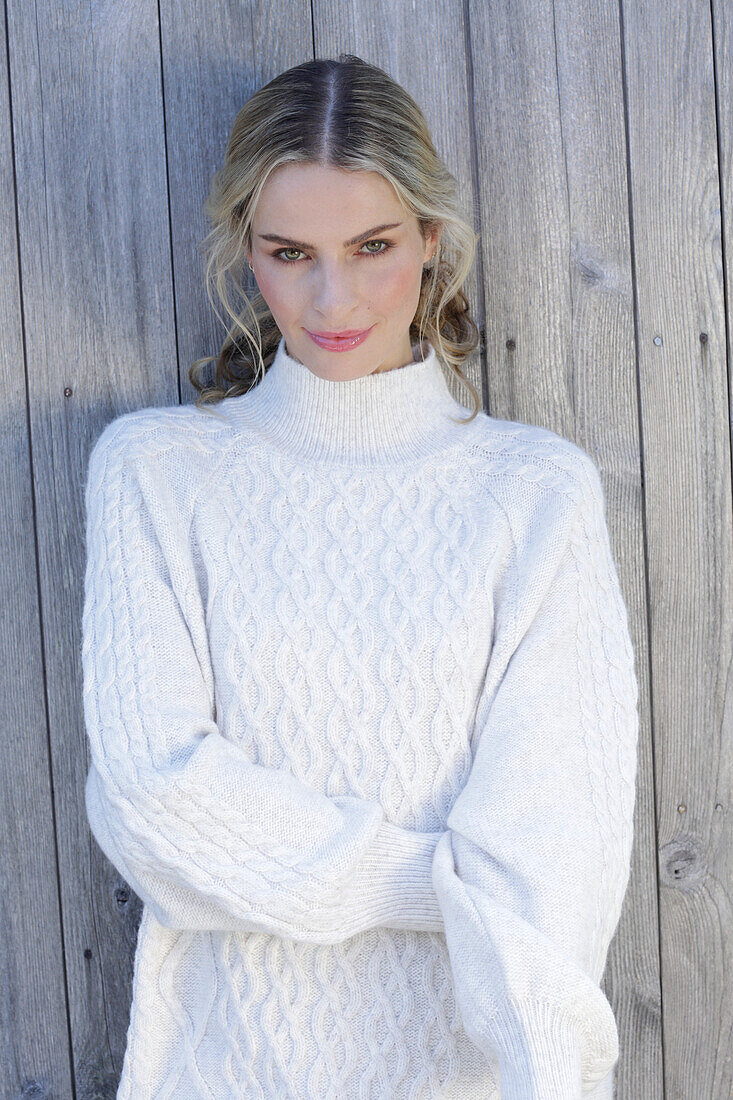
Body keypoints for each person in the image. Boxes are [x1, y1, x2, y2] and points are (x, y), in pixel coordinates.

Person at [81, 53, 639, 1099]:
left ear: (432, 241)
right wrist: (439, 875)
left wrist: (260, 858)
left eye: (372, 246)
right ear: (247, 252)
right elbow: (152, 799)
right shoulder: (155, 474)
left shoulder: (534, 497)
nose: (332, 297)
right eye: (291, 253)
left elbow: (560, 861)